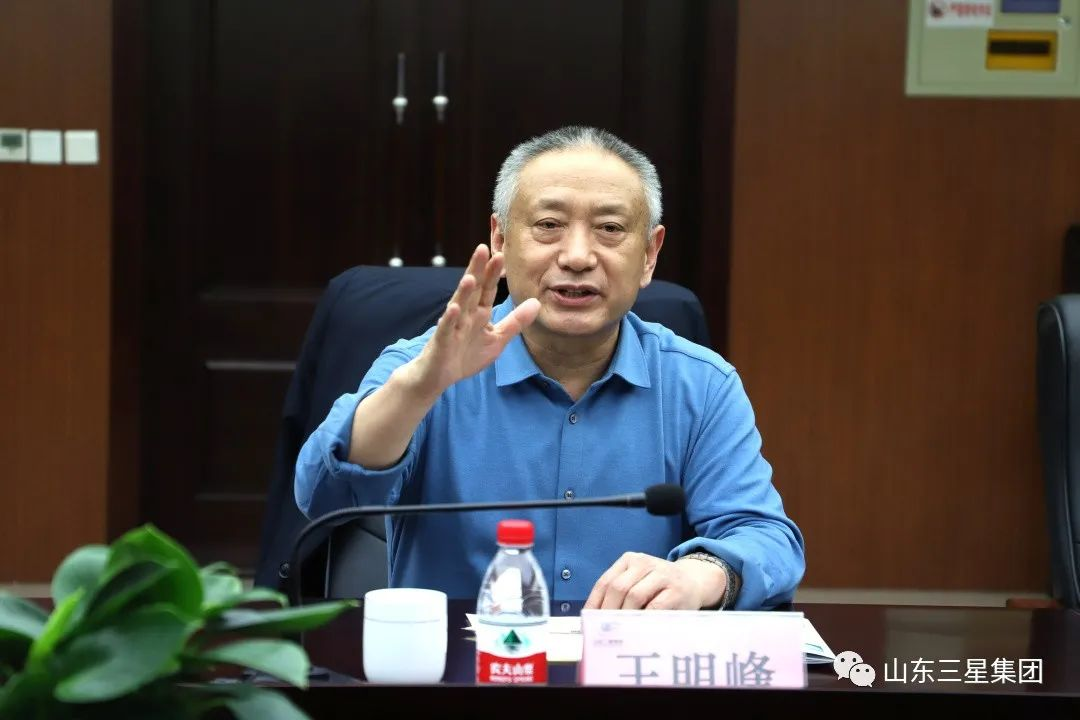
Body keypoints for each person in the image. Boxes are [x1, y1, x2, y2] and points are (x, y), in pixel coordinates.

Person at [294, 126, 805, 610]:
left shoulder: (701, 385)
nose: (578, 256)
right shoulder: (425, 366)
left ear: (650, 255)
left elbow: (766, 537)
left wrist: (701, 574)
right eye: (548, 225)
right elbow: (321, 496)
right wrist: (418, 390)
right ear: (500, 239)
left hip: (628, 662)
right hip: (460, 664)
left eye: (609, 229)